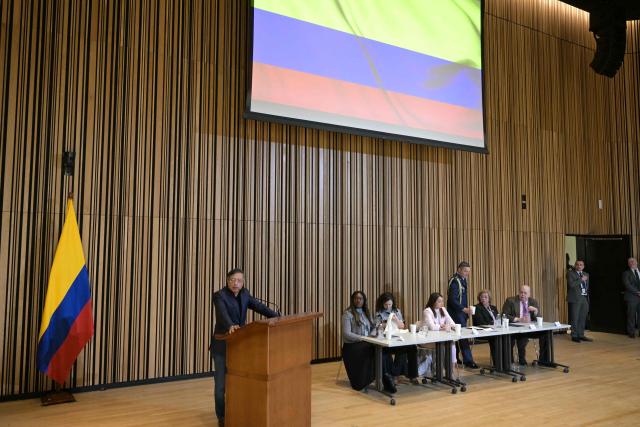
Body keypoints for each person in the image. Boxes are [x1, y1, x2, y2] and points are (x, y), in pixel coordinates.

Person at [211, 269, 279, 426]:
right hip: (222, 344)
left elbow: (259, 307)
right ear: (227, 281)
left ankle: (237, 411)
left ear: (243, 282)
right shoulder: (219, 296)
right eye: (233, 280)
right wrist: (230, 326)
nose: (236, 283)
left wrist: (276, 316)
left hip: (240, 345)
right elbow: (222, 315)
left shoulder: (244, 294)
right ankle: (222, 418)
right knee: (221, 385)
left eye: (239, 280)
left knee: (239, 382)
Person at [342, 290, 394, 392]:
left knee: (384, 349)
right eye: (356, 298)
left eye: (360, 298)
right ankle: (378, 379)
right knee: (373, 350)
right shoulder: (347, 314)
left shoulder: (366, 313)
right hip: (352, 346)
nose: (358, 300)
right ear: (353, 300)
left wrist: (377, 329)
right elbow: (346, 334)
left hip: (366, 342)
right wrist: (362, 338)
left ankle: (387, 377)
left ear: (364, 300)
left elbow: (372, 328)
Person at [374, 292, 418, 382]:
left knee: (412, 347)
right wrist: (387, 322)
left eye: (390, 304)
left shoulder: (397, 311)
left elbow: (402, 326)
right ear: (382, 304)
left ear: (392, 303)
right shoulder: (379, 313)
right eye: (386, 304)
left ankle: (412, 375)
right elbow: (377, 327)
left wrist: (396, 319)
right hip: (386, 340)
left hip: (398, 338)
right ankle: (395, 374)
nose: (388, 306)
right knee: (400, 350)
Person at [501, 285, 549, 366]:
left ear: (529, 294)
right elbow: (504, 315)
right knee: (521, 338)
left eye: (525, 293)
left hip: (530, 328)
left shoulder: (533, 301)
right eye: (521, 292)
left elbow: (539, 318)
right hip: (515, 328)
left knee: (546, 334)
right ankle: (517, 360)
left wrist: (536, 311)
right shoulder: (511, 301)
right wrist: (519, 319)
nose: (522, 295)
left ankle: (544, 360)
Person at [446, 261, 478, 368]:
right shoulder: (455, 281)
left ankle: (456, 359)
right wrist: (463, 309)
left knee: (458, 336)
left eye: (468, 271)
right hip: (456, 313)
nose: (467, 273)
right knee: (462, 336)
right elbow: (452, 300)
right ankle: (468, 360)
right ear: (459, 269)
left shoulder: (463, 280)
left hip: (461, 313)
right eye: (465, 271)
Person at [423, 292, 457, 365]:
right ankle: (442, 368)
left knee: (452, 343)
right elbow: (432, 327)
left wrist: (452, 326)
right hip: (430, 338)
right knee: (446, 344)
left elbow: (451, 322)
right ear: (433, 302)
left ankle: (452, 367)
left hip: (442, 337)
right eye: (439, 301)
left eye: (442, 301)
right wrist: (442, 326)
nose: (441, 303)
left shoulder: (443, 309)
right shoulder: (427, 311)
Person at [567, 259, 592, 343]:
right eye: (577, 264)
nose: (579, 266)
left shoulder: (586, 274)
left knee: (582, 317)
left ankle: (581, 334)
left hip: (584, 298)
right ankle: (574, 335)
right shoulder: (570, 273)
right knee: (575, 317)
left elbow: (586, 286)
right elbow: (571, 285)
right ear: (575, 265)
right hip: (575, 298)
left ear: (583, 266)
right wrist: (581, 279)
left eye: (581, 265)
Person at [472, 290, 500, 366]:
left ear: (489, 299)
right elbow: (480, 322)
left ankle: (505, 362)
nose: (483, 299)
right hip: (482, 331)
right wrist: (492, 323)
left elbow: (498, 319)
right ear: (479, 298)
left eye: (485, 297)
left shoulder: (493, 307)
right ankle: (497, 364)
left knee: (505, 338)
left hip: (495, 330)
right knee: (495, 339)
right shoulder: (477, 308)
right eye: (482, 297)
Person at [623, 257, 640, 338]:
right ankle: (631, 332)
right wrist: (637, 292)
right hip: (631, 297)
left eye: (634, 261)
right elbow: (627, 285)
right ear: (628, 264)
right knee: (631, 316)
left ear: (637, 262)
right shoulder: (626, 273)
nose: (632, 263)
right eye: (630, 262)